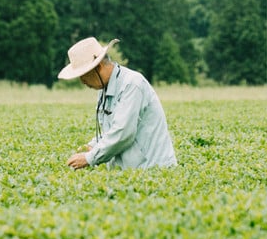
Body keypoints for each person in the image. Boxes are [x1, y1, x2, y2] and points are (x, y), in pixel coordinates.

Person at [57, 36, 177, 169]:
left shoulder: (132, 84)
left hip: (154, 169)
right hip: (132, 171)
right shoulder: (103, 89)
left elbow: (123, 132)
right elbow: (110, 130)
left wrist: (89, 158)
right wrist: (92, 145)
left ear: (99, 67)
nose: (83, 81)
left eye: (84, 74)